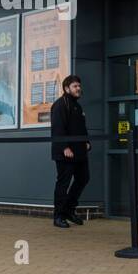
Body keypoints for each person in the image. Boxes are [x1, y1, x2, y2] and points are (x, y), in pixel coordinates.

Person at [49, 74, 90, 228]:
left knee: (83, 178)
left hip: (80, 152)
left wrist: (87, 142)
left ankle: (69, 210)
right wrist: (65, 147)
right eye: (75, 86)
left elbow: (81, 128)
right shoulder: (60, 105)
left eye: (79, 86)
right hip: (65, 152)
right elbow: (58, 128)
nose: (78, 88)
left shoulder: (77, 106)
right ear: (67, 88)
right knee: (63, 183)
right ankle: (58, 216)